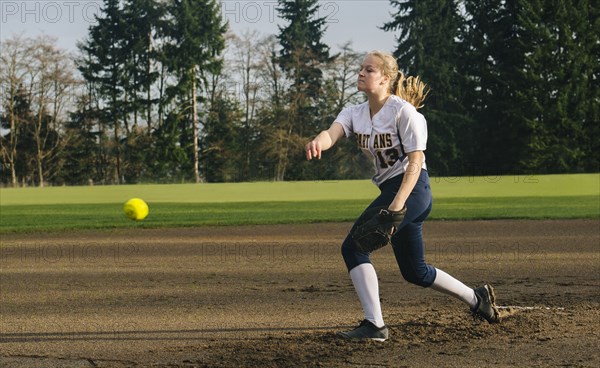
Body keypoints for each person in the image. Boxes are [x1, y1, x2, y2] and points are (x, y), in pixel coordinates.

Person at [304, 50, 500, 342]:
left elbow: (416, 162)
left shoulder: (404, 112)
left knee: (354, 248)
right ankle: (477, 298)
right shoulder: (354, 113)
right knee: (414, 271)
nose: (361, 72)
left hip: (412, 189)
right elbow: (331, 133)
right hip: (393, 191)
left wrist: (397, 206)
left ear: (386, 78)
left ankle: (375, 325)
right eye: (362, 68)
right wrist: (318, 142)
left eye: (369, 69)